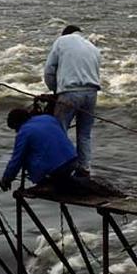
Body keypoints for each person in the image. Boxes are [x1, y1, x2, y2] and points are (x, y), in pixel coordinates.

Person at [43, 25, 101, 177]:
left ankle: (61, 167)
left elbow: (49, 69)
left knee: (60, 131)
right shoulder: (92, 47)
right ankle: (84, 168)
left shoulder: (61, 41)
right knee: (84, 133)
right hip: (91, 93)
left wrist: (55, 90)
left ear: (65, 34)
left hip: (70, 93)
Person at [0, 108, 78, 191]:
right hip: (73, 160)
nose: (16, 131)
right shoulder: (48, 118)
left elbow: (16, 160)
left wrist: (6, 179)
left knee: (25, 155)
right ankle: (59, 181)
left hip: (57, 168)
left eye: (16, 129)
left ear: (18, 123)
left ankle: (45, 183)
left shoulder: (24, 131)